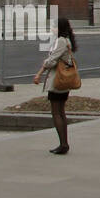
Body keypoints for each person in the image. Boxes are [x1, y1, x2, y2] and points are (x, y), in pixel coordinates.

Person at [34, 16, 78, 155]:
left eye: (55, 27)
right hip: (64, 81)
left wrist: (40, 71)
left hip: (57, 80)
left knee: (56, 112)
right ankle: (64, 143)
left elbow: (52, 61)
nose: (53, 29)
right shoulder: (68, 40)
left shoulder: (61, 41)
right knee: (61, 112)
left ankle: (63, 144)